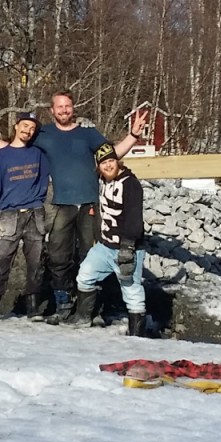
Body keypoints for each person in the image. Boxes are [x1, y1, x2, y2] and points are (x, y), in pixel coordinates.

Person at [0, 92, 149, 319]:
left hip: (89, 204)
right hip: (61, 205)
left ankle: (91, 310)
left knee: (90, 256)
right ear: (52, 110)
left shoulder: (88, 133)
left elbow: (110, 155)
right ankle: (63, 305)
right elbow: (13, 149)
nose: (64, 110)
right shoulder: (44, 133)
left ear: (73, 108)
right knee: (58, 257)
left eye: (67, 106)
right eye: (59, 106)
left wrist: (133, 135)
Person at [50, 141, 150, 336]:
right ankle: (83, 316)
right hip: (105, 246)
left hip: (127, 247)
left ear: (118, 161)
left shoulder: (131, 184)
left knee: (131, 290)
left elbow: (134, 217)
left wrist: (128, 246)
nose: (108, 165)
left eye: (111, 161)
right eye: (103, 163)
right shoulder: (101, 180)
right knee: (85, 275)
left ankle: (137, 333)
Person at [0, 111, 49, 324]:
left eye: (32, 128)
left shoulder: (39, 154)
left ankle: (33, 308)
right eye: (25, 125)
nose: (28, 130)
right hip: (9, 216)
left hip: (35, 214)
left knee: (36, 262)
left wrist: (39, 202)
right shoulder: (1, 156)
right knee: (0, 262)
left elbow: (44, 180)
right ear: (16, 126)